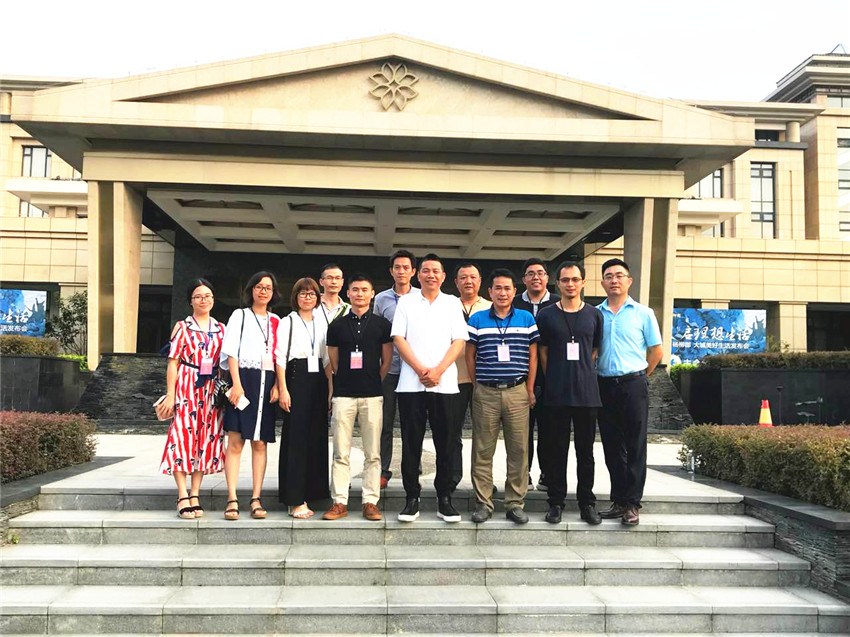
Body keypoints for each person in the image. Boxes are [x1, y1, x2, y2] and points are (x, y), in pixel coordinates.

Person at [391, 253, 468, 523]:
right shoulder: (406, 302)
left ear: (443, 276)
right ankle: (412, 498)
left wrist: (437, 371)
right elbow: (398, 338)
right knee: (410, 443)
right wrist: (420, 369)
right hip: (411, 385)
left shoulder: (452, 303)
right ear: (418, 274)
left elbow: (459, 341)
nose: (431, 275)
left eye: (436, 271)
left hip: (444, 385)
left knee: (446, 443)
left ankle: (444, 498)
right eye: (426, 270)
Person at [466, 269, 538, 525]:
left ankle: (515, 503)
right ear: (490, 291)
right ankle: (483, 503)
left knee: (518, 449)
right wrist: (477, 385)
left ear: (514, 291)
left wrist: (529, 389)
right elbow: (470, 355)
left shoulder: (526, 318)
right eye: (498, 288)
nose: (503, 293)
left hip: (517, 392)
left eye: (507, 288)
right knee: (482, 449)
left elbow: (533, 357)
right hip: (486, 392)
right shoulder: (477, 319)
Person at [596, 258, 663, 527]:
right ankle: (619, 500)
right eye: (609, 276)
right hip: (603, 385)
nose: (614, 280)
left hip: (633, 384)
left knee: (635, 445)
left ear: (629, 281)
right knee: (612, 446)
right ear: (602, 282)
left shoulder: (643, 313)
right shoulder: (595, 314)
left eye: (619, 275)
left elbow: (656, 350)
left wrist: (642, 376)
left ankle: (633, 503)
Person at [536, 261, 604, 525]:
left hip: (587, 394)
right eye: (565, 280)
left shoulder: (594, 315)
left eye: (575, 279)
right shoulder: (546, 315)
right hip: (556, 394)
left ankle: (587, 502)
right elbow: (543, 351)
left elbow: (594, 349)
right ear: (558, 284)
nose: (570, 284)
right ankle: (556, 502)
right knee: (556, 451)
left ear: (583, 282)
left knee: (585, 453)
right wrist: (555, 376)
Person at [323, 273, 393, 521]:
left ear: (372, 294)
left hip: (372, 395)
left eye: (364, 290)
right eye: (355, 290)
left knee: (373, 453)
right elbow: (334, 362)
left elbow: (386, 362)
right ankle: (339, 501)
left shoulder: (382, 325)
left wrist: (373, 380)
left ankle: (370, 501)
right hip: (343, 395)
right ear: (348, 293)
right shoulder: (337, 325)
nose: (360, 294)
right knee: (340, 452)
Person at [159, 278, 225, 519]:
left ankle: (195, 493)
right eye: (198, 296)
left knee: (205, 438)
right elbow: (173, 362)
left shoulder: (221, 329)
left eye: (207, 296)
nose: (203, 300)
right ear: (191, 301)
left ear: (213, 299)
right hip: (187, 386)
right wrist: (170, 394)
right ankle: (182, 494)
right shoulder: (183, 327)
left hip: (210, 390)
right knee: (181, 437)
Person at [220, 272, 281, 521]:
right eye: (259, 287)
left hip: (267, 383)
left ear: (273, 292)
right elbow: (231, 351)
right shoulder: (240, 315)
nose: (263, 291)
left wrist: (277, 385)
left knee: (260, 443)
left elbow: (279, 355)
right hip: (243, 380)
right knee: (235, 442)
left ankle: (256, 498)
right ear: (251, 290)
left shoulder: (276, 320)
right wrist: (236, 384)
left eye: (268, 287)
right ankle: (232, 498)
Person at [276, 277, 332, 519]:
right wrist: (283, 389)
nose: (307, 297)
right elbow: (280, 358)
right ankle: (294, 499)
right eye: (303, 293)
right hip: (296, 379)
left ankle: (313, 492)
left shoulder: (322, 322)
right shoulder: (287, 322)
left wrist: (330, 389)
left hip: (318, 380)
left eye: (312, 294)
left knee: (316, 437)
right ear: (295, 297)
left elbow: (327, 359)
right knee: (296, 439)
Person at [373, 250, 417, 489]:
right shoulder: (381, 299)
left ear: (413, 272)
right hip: (389, 370)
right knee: (385, 423)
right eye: (397, 267)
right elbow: (376, 333)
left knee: (413, 424)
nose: (401, 271)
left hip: (413, 370)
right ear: (391, 271)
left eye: (406, 267)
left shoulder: (421, 297)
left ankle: (413, 467)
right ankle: (383, 470)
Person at [513, 257, 557, 491]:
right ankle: (524, 474)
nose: (536, 277)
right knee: (522, 431)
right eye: (530, 273)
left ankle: (548, 474)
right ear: (524, 279)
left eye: (540, 273)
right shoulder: (514, 303)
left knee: (549, 429)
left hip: (552, 376)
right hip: (521, 376)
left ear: (547, 278)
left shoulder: (559, 303)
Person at [452, 262, 491, 491]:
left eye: (473, 277)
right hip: (453, 379)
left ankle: (482, 482)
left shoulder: (490, 307)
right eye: (463, 277)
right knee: (452, 432)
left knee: (484, 434)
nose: (468, 281)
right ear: (455, 282)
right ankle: (452, 478)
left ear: (480, 281)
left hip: (482, 380)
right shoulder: (447, 306)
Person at [315, 263, 350, 327]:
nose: (334, 282)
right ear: (321, 282)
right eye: (329, 278)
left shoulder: (349, 310)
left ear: (342, 282)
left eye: (337, 278)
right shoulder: (311, 305)